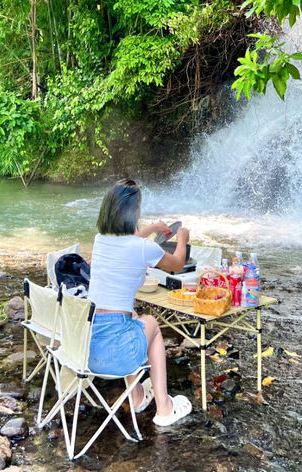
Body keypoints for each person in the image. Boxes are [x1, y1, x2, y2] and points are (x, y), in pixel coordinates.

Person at [87, 179, 193, 427]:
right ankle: (165, 409)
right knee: (151, 324)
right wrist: (182, 239)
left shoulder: (100, 240)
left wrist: (153, 228)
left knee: (131, 317)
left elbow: (130, 240)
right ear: (133, 213)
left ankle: (136, 397)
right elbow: (177, 264)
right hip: (115, 356)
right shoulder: (143, 249)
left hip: (86, 349)